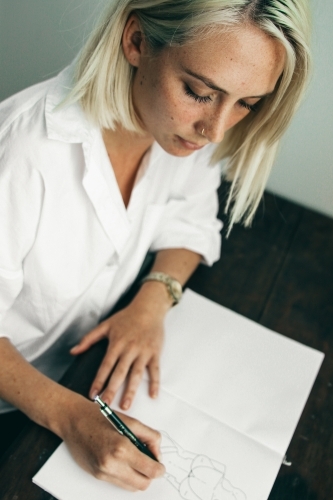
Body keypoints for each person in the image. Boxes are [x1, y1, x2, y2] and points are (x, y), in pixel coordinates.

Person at [0, 0, 311, 492]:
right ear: (136, 41)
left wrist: (151, 301)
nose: (216, 130)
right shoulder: (21, 154)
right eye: (199, 92)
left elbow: (191, 223)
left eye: (247, 104)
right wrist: (70, 417)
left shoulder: (178, 133)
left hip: (78, 378)